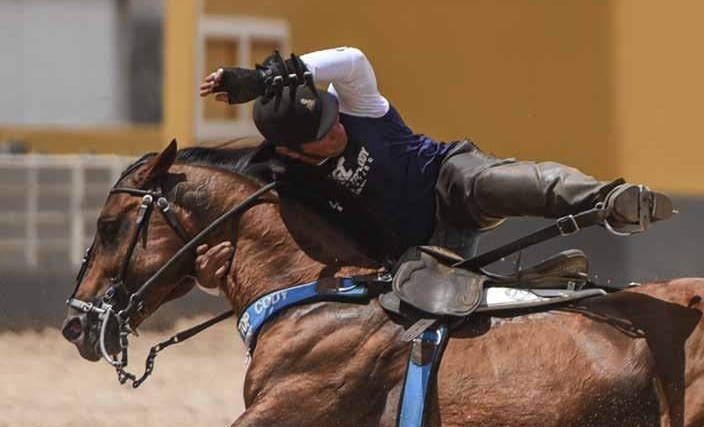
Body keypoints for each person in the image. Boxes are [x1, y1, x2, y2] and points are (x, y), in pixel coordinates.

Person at [194, 47, 672, 288]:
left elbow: (352, 58)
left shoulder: (354, 101)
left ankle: (611, 200)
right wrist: (211, 276)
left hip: (446, 184)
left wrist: (264, 77)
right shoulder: (282, 177)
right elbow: (238, 228)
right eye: (322, 135)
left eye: (329, 116)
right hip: (407, 257)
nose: (336, 128)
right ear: (294, 153)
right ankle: (516, 289)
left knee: (490, 180)